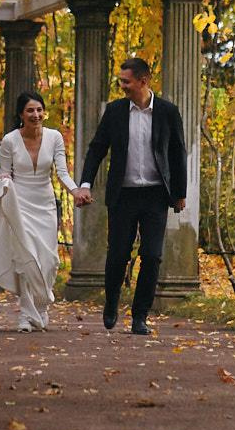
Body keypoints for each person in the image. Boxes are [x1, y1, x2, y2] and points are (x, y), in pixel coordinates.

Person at [74, 55, 187, 336]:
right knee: (118, 255)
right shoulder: (114, 112)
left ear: (143, 81)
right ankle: (111, 302)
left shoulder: (168, 112)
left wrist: (179, 193)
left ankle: (140, 316)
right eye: (120, 80)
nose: (121, 85)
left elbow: (177, 153)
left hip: (155, 195)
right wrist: (85, 183)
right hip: (123, 195)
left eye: (126, 81)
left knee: (152, 256)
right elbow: (96, 149)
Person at [0, 91, 72, 331]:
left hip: (45, 204)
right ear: (21, 114)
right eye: (30, 110)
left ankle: (42, 307)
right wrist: (4, 186)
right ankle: (25, 315)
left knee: (48, 260)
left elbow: (62, 173)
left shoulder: (55, 137)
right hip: (20, 205)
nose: (36, 115)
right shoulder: (10, 140)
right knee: (24, 258)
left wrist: (76, 191)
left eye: (39, 110)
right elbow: (5, 173)